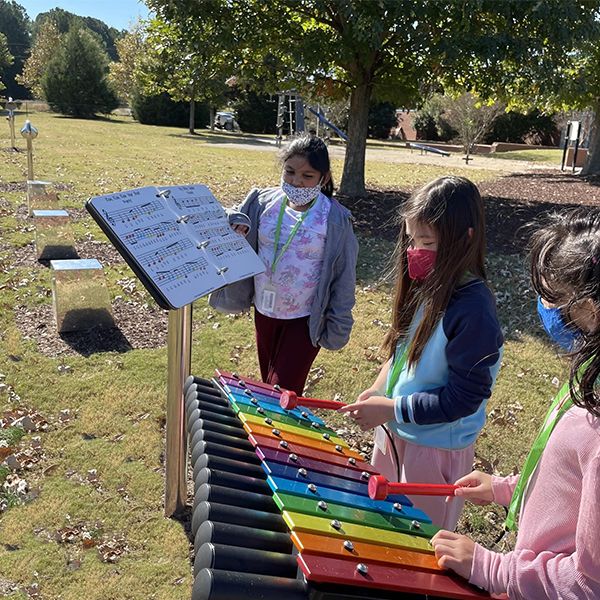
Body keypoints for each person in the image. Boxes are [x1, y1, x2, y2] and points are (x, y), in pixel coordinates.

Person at [431, 209, 600, 599]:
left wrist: (490, 567)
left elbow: (590, 583)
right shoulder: (591, 372)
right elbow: (569, 480)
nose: (543, 307)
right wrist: (507, 488)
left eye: (551, 297)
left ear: (591, 309)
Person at [339, 176, 503, 530]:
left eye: (426, 242)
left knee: (419, 542)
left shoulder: (474, 311)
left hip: (435, 450)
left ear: (466, 238)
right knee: (380, 525)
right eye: (412, 240)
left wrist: (392, 408)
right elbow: (401, 351)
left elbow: (464, 398)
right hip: (395, 432)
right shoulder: (426, 284)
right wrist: (380, 389)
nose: (414, 251)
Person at [209, 135, 358, 395]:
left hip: (303, 318)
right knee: (268, 383)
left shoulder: (334, 219)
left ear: (323, 178)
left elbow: (345, 274)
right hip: (264, 311)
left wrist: (339, 322)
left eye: (307, 176)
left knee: (281, 391)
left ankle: (276, 433)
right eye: (290, 172)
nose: (296, 181)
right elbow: (226, 215)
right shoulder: (262, 202)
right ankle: (273, 435)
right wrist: (234, 220)